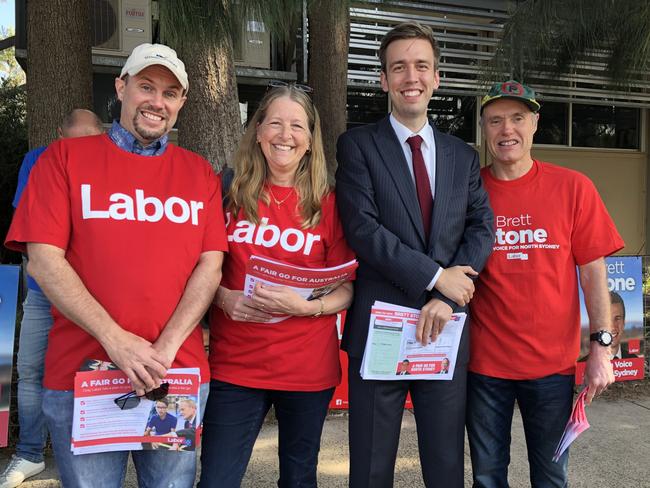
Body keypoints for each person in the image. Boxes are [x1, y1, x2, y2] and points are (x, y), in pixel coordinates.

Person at [4, 43, 227, 488]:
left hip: (173, 373)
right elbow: (44, 262)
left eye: (169, 93)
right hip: (82, 374)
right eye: (146, 86)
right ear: (121, 88)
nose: (157, 102)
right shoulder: (63, 160)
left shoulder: (199, 173)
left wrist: (162, 349)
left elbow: (210, 266)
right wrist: (116, 340)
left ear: (181, 103)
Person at [335, 21, 494, 488]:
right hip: (382, 326)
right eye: (399, 67)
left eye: (421, 65)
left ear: (437, 77)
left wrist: (447, 296)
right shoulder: (358, 146)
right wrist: (434, 277)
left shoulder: (461, 155)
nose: (411, 76)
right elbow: (363, 230)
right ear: (384, 80)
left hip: (445, 326)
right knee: (369, 467)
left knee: (446, 465)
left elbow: (481, 226)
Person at [467, 80, 624, 488]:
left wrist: (601, 349)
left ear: (535, 123)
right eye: (495, 120)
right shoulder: (469, 192)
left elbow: (594, 273)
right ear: (484, 128)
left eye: (517, 118)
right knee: (486, 476)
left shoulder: (573, 188)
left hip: (551, 367)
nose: (507, 130)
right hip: (484, 366)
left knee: (552, 477)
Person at [199, 84, 355, 488]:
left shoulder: (330, 203)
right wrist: (222, 297)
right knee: (216, 479)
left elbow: (346, 288)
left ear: (309, 140)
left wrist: (312, 308)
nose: (285, 135)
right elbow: (200, 268)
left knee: (299, 478)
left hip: (306, 368)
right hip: (236, 365)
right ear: (258, 131)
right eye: (276, 123)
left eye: (297, 126)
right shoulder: (227, 190)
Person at [0, 109, 103, 488]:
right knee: (30, 373)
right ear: (59, 135)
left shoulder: (112, 165)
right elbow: (27, 227)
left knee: (96, 376)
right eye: (68, 143)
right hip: (45, 294)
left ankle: (91, 451)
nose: (75, 152)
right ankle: (29, 454)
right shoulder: (39, 159)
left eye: (87, 143)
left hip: (96, 296)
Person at [609, 291, 638, 358]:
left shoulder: (634, 359)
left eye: (617, 318)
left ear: (624, 322)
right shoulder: (584, 365)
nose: (613, 326)